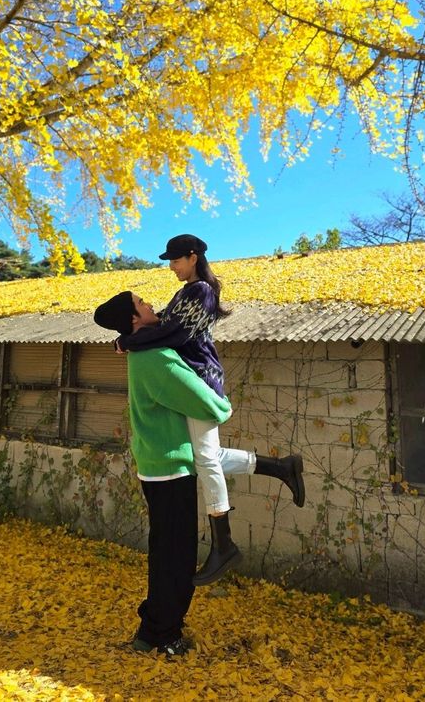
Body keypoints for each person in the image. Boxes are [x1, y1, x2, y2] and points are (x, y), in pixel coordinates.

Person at [108, 234, 305, 587]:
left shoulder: (202, 291)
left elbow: (175, 333)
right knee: (207, 455)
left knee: (207, 459)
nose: (171, 267)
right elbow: (163, 323)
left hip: (201, 379)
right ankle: (280, 467)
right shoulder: (186, 292)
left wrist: (129, 340)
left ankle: (223, 543)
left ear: (193, 256)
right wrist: (127, 338)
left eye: (175, 260)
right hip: (191, 377)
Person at [94, 290, 232, 656]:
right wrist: (224, 405)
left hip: (158, 467)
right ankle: (164, 635)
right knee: (177, 558)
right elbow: (208, 405)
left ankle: (153, 628)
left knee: (165, 554)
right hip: (171, 471)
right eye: (141, 303)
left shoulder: (141, 352)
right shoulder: (156, 358)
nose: (150, 305)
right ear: (134, 320)